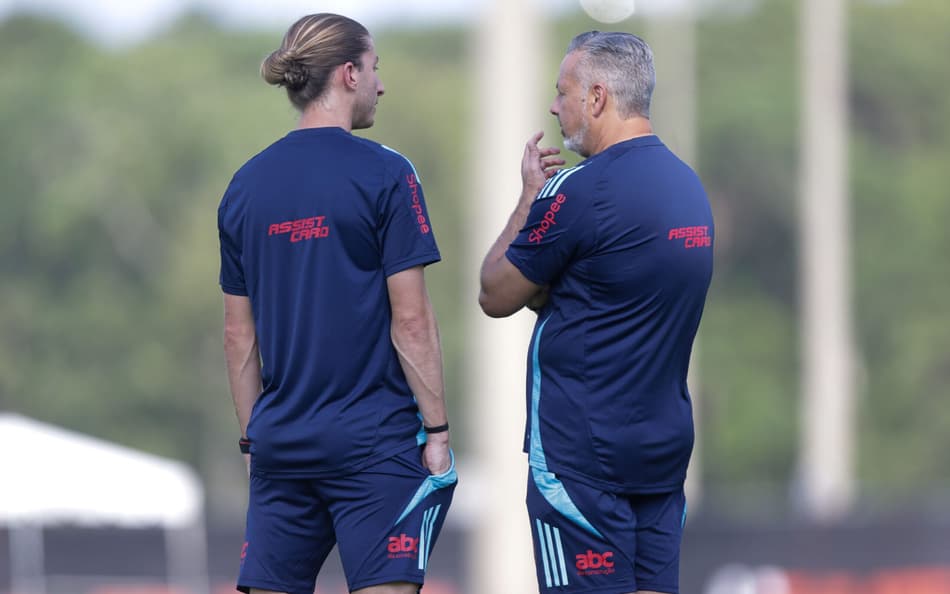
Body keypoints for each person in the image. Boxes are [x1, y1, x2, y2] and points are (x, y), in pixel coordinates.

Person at [217, 13, 456, 594]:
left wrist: (254, 440)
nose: (381, 84)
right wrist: (439, 432)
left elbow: (238, 336)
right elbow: (413, 321)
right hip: (373, 448)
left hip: (281, 448)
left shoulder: (244, 185)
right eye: (375, 69)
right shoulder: (388, 174)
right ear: (349, 74)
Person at [478, 31, 714, 594]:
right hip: (661, 453)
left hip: (582, 461)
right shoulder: (689, 187)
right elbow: (608, 287)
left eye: (563, 93)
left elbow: (496, 293)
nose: (554, 107)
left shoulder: (578, 191)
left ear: (598, 97)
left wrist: (528, 200)